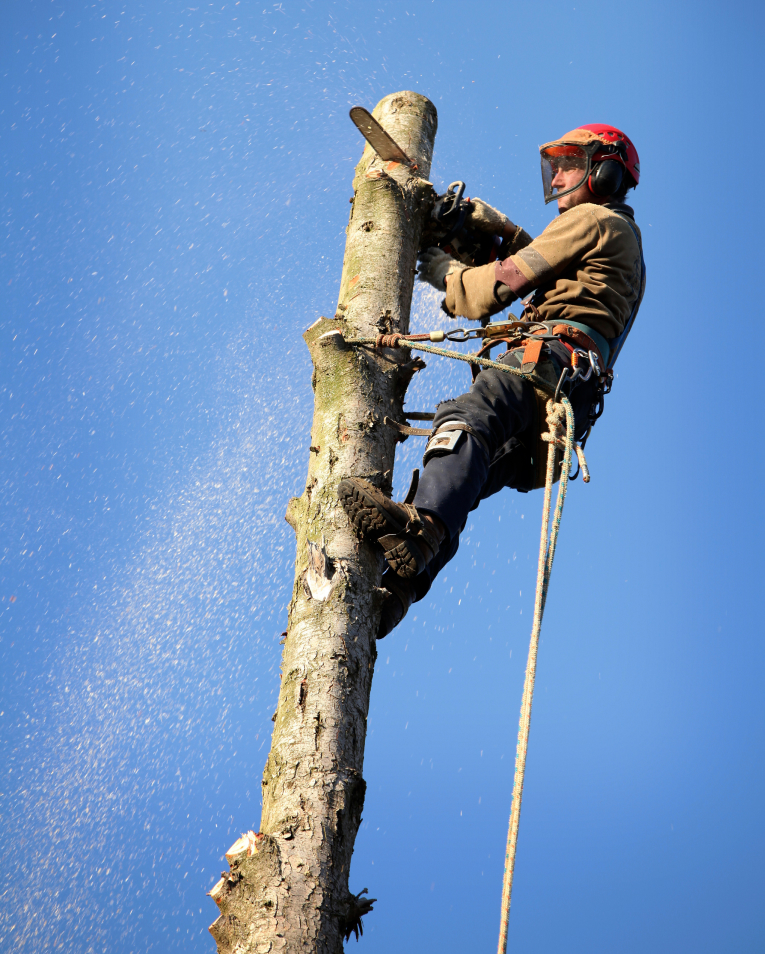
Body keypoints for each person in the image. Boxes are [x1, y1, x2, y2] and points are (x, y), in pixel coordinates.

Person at [338, 123, 646, 638]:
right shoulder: (618, 236)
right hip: (562, 414)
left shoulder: (594, 217)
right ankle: (400, 587)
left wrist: (443, 271)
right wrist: (499, 236)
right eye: (558, 164)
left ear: (607, 172)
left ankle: (417, 534)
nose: (561, 175)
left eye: (573, 162)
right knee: (470, 474)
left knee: (464, 419)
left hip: (548, 362)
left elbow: (500, 286)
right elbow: (554, 270)